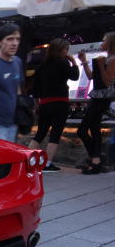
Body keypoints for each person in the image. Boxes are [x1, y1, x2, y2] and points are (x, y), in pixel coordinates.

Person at [28, 38, 80, 172]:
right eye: (66, 49)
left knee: (40, 133)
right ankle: (47, 163)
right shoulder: (62, 62)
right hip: (60, 102)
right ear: (61, 50)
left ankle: (26, 158)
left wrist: (37, 103)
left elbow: (35, 87)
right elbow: (74, 76)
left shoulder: (42, 64)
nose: (67, 51)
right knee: (55, 133)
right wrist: (74, 62)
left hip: (44, 103)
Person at [77, 32, 115, 174]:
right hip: (97, 98)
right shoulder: (105, 59)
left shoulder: (112, 60)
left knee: (82, 130)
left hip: (103, 99)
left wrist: (100, 64)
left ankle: (95, 158)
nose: (101, 42)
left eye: (104, 40)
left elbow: (108, 82)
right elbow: (91, 76)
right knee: (94, 128)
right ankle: (96, 159)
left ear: (111, 42)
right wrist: (85, 61)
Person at [0, 23, 25, 142]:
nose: (14, 43)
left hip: (13, 124)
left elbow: (17, 89)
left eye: (17, 39)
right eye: (9, 39)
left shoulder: (17, 62)